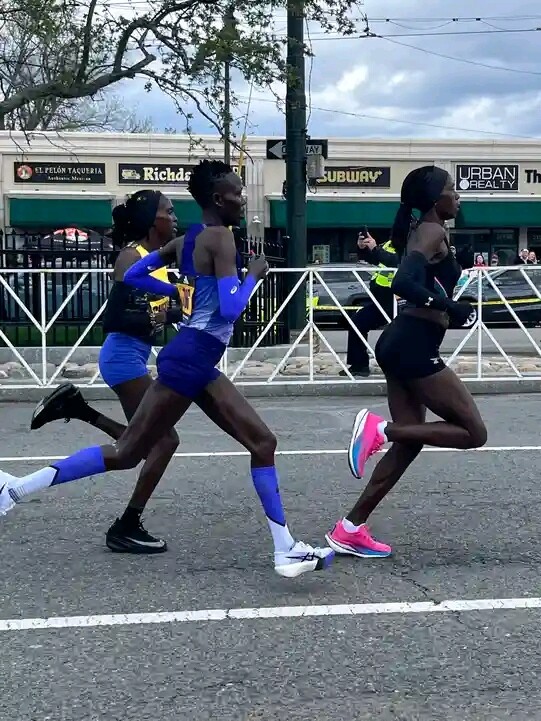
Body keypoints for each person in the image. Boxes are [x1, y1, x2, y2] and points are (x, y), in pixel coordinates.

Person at [1, 159, 334, 579]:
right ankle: (14, 489)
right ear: (218, 199)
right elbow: (231, 308)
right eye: (237, 193)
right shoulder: (220, 238)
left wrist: (178, 289)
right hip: (191, 359)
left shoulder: (186, 239)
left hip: (195, 358)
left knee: (262, 442)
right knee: (128, 452)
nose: (242, 198)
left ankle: (285, 548)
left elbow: (134, 274)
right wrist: (253, 276)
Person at [325, 165, 487, 558]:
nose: (458, 195)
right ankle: (381, 429)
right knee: (473, 432)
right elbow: (402, 282)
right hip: (413, 344)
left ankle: (350, 528)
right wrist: (448, 305)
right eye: (452, 188)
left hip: (402, 341)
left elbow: (414, 274)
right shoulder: (431, 231)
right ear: (434, 199)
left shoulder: (426, 230)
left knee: (411, 441)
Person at [29, 189, 182, 554]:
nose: (175, 217)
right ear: (152, 220)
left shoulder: (157, 260)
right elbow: (118, 314)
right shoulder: (132, 256)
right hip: (122, 358)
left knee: (140, 445)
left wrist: (179, 306)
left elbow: (161, 311)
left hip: (133, 357)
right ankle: (127, 525)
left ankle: (77, 408)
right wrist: (165, 313)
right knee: (164, 441)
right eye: (169, 211)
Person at [340, 229, 398, 377]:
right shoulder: (388, 245)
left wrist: (375, 248)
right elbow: (373, 258)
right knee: (357, 323)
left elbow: (395, 261)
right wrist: (363, 248)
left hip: (399, 301)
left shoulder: (411, 246)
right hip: (381, 301)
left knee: (397, 335)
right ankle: (359, 365)